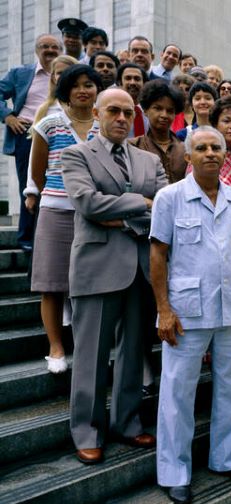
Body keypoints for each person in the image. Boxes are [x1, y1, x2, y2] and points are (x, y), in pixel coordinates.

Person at [150, 126, 231, 504]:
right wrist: (163, 308)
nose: (211, 153)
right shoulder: (170, 198)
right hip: (185, 311)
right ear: (189, 156)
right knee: (178, 393)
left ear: (227, 155)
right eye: (202, 148)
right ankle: (174, 471)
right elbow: (158, 255)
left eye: (218, 148)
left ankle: (226, 459)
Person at [61, 88, 168, 464]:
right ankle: (87, 430)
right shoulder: (76, 154)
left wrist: (117, 217)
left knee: (133, 352)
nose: (121, 118)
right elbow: (87, 203)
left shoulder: (148, 160)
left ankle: (127, 422)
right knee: (90, 355)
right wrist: (139, 204)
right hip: (97, 268)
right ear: (96, 113)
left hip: (141, 269)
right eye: (113, 111)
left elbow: (164, 208)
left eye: (127, 112)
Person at [26, 65, 101, 374]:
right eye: (76, 85)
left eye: (89, 84)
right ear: (66, 91)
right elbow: (38, 171)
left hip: (94, 213)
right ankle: (56, 346)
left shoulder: (104, 125)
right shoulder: (50, 124)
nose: (83, 90)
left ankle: (85, 345)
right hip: (56, 211)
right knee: (51, 283)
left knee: (89, 284)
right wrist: (57, 198)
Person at [1, 33, 61, 250]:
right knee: (29, 187)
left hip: (58, 135)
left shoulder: (62, 76)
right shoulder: (20, 73)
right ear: (37, 50)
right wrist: (7, 116)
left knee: (52, 185)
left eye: (55, 47)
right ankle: (26, 239)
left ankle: (44, 234)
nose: (50, 51)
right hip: (27, 133)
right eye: (45, 46)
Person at [129, 80, 186, 184]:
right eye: (158, 108)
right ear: (145, 110)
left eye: (170, 111)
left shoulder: (185, 149)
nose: (164, 115)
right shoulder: (133, 146)